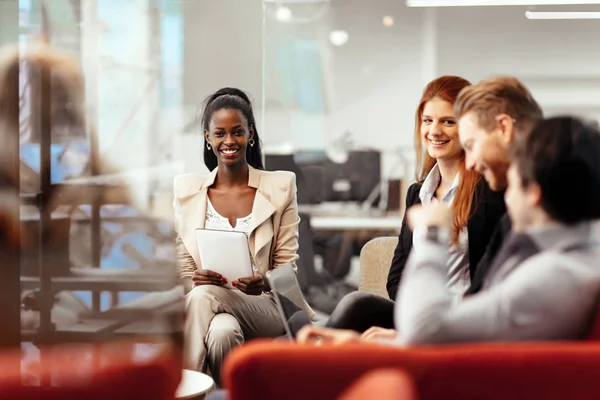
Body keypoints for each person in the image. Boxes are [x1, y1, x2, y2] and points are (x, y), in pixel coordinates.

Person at [299, 116, 600, 345]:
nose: (506, 192)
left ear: (533, 191)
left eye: (512, 179)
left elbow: (427, 330)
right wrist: (371, 346)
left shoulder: (550, 275)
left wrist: (432, 237)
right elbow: (463, 334)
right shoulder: (566, 256)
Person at [322, 76, 505, 333]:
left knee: (353, 313)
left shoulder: (489, 192)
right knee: (356, 304)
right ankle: (310, 352)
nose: (435, 131)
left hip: (465, 318)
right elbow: (397, 277)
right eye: (428, 120)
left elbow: (495, 278)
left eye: (448, 122)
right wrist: (417, 313)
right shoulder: (418, 194)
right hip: (420, 313)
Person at [174, 87, 304, 385]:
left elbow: (288, 271)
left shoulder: (280, 186)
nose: (229, 141)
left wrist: (264, 280)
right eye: (219, 133)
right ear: (208, 138)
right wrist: (195, 278)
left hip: (267, 306)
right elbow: (183, 272)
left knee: (204, 296)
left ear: (251, 134)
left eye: (237, 132)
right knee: (222, 332)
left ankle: (184, 387)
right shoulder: (187, 192)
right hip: (211, 304)